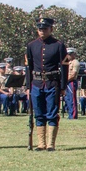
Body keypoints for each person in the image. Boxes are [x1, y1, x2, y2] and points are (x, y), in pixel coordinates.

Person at [25, 17, 68, 151]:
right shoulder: (31, 46)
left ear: (51, 29)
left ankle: (50, 144)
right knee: (39, 113)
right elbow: (28, 67)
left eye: (45, 28)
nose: (42, 31)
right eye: (40, 29)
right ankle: (41, 143)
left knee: (52, 113)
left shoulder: (58, 45)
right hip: (36, 83)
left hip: (52, 83)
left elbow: (64, 67)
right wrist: (27, 86)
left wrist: (62, 86)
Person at [65, 47, 80, 119]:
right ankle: (70, 114)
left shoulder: (75, 62)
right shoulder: (67, 62)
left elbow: (73, 74)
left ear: (74, 54)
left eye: (70, 54)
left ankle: (73, 115)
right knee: (67, 99)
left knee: (72, 99)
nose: (68, 55)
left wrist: (65, 80)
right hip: (67, 82)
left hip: (71, 82)